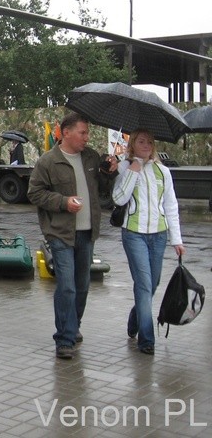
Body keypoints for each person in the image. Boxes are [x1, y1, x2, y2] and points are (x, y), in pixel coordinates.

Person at [27, 112, 118, 359]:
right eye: (82, 132)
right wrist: (63, 202)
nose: (87, 138)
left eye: (87, 133)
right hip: (60, 233)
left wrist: (109, 172)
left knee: (82, 286)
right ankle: (64, 339)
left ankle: (73, 325)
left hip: (87, 232)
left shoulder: (91, 158)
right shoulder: (48, 161)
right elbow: (34, 193)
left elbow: (104, 191)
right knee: (66, 287)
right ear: (65, 132)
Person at [112, 129, 186, 355]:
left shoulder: (163, 171)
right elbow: (118, 198)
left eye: (149, 142)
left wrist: (177, 239)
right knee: (144, 285)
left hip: (159, 235)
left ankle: (135, 317)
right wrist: (133, 169)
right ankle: (147, 340)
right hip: (134, 234)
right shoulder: (125, 168)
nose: (146, 145)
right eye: (141, 141)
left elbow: (171, 206)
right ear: (132, 144)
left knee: (152, 285)